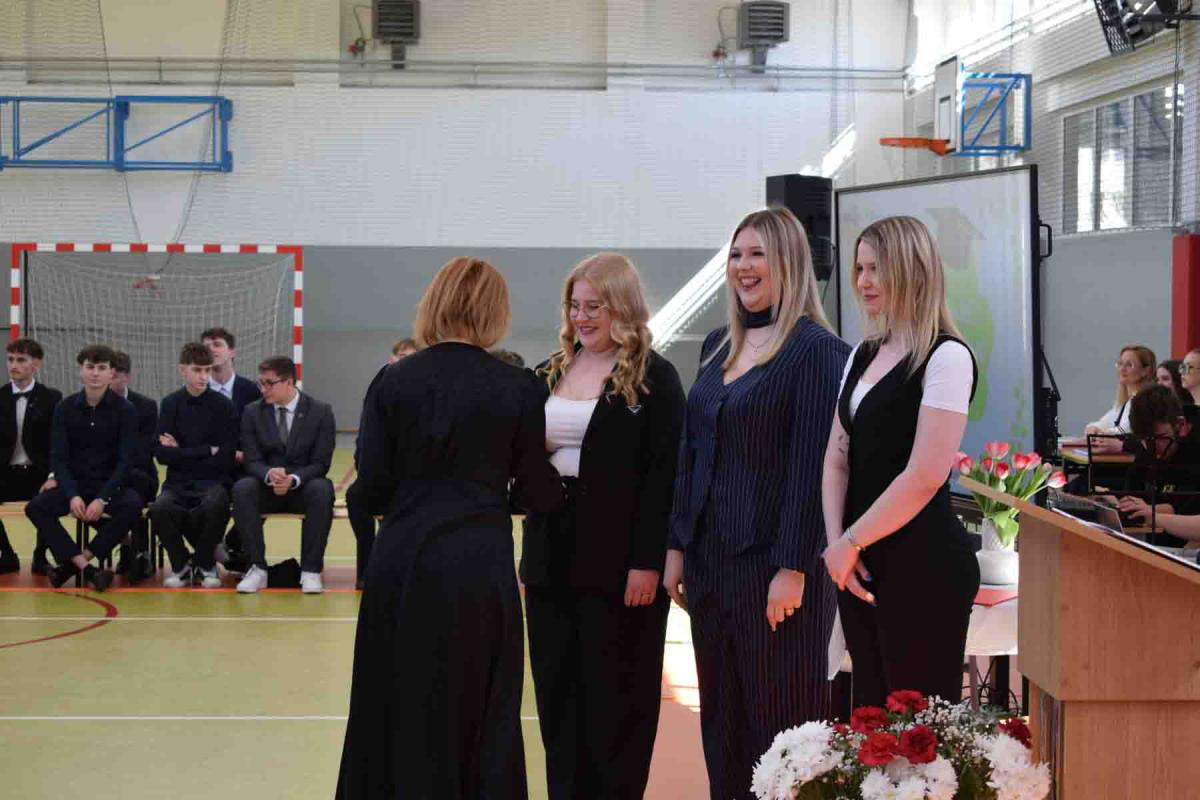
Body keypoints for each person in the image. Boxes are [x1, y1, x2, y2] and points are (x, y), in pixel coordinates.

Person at [336, 257, 564, 800]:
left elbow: (371, 486)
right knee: (480, 705)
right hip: (478, 563)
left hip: (403, 560)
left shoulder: (392, 380)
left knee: (393, 700)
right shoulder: (519, 387)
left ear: (433, 305)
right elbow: (536, 491)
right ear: (496, 312)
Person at [663, 207, 849, 800]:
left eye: (757, 254)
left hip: (776, 573)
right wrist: (676, 545)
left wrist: (793, 567)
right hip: (709, 566)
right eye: (736, 255)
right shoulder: (717, 345)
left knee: (783, 736)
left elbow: (813, 469)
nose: (743, 267)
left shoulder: (819, 351)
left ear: (787, 262)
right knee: (723, 729)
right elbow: (690, 452)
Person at [522, 253, 685, 800]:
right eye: (576, 305)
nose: (582, 317)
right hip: (551, 559)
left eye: (595, 306)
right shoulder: (548, 372)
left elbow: (665, 476)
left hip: (621, 565)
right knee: (558, 697)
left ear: (623, 307)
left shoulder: (655, 378)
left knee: (617, 701)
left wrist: (648, 561)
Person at [821, 215, 979, 708]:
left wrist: (850, 541)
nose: (864, 281)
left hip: (923, 567)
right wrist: (838, 548)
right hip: (859, 566)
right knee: (867, 723)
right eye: (860, 268)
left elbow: (925, 475)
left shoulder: (947, 357)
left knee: (917, 731)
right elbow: (836, 460)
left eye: (877, 269)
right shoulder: (862, 354)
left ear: (912, 270)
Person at [25, 344, 141, 591]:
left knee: (133, 505)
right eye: (90, 367)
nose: (95, 373)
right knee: (36, 507)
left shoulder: (126, 410)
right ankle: (87, 569)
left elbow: (125, 462)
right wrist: (72, 495)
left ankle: (74, 564)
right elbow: (59, 458)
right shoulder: (64, 408)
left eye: (102, 368)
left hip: (108, 486)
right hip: (75, 485)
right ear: (81, 369)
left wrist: (103, 499)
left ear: (111, 373)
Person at [231, 356, 335, 594]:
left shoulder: (320, 412)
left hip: (302, 487)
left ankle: (310, 571)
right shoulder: (252, 412)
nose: (263, 389)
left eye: (269, 383)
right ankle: (256, 568)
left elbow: (321, 463)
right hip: (266, 487)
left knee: (322, 488)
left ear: (289, 382)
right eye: (261, 383)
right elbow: (252, 460)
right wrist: (269, 474)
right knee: (242, 488)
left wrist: (293, 479)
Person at [150, 343, 239, 589]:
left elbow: (226, 457)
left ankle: (204, 563)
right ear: (183, 370)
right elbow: (162, 455)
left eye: (207, 370)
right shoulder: (170, 404)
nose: (203, 376)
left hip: (212, 481)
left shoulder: (224, 406)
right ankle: (180, 565)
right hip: (177, 482)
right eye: (197, 370)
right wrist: (205, 450)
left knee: (215, 503)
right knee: (159, 508)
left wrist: (180, 450)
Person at [347, 342, 419, 589]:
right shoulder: (378, 391)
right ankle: (366, 569)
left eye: (411, 357)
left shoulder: (423, 395)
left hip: (410, 478)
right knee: (355, 495)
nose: (405, 361)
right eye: (401, 356)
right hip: (379, 475)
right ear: (392, 359)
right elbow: (365, 440)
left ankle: (400, 567)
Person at [0, 338, 62, 574]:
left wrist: (53, 475)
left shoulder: (51, 398)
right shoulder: (0, 396)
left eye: (20, 360)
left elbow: (57, 443)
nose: (13, 365)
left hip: (39, 473)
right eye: (10, 360)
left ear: (36, 364)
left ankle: (40, 555)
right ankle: (6, 554)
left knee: (49, 501)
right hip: (6, 473)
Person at [1116, 385, 1200, 547]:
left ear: (1181, 425)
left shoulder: (1195, 451)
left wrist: (1149, 511)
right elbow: (1133, 493)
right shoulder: (1149, 445)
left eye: (1160, 438)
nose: (1153, 449)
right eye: (1144, 440)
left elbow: (1186, 508)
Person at [110, 350, 159, 582]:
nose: (109, 380)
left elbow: (143, 450)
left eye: (114, 375)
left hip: (138, 473)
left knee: (134, 492)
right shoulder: (92, 404)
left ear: (127, 377)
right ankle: (126, 543)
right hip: (104, 475)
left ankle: (141, 551)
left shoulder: (146, 406)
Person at [1084, 345, 1156, 453]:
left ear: (1145, 371)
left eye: (1129, 365)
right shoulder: (1125, 402)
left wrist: (1101, 433)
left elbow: (1125, 431)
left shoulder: (1146, 401)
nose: (1122, 369)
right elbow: (1101, 423)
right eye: (1120, 364)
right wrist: (1094, 428)